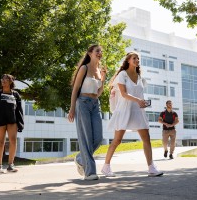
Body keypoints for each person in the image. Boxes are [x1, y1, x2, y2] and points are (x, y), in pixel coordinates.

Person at [102, 52, 163, 177]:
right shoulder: (122, 75)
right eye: (134, 58)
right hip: (124, 110)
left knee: (146, 138)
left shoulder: (139, 77)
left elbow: (139, 94)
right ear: (128, 60)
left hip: (138, 111)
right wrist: (138, 100)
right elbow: (123, 94)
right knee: (117, 140)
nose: (137, 60)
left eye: (138, 58)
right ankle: (106, 166)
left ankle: (151, 167)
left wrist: (143, 102)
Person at [68, 44, 106, 181]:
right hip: (82, 103)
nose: (100, 53)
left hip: (95, 104)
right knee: (86, 138)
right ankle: (89, 173)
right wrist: (72, 108)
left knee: (98, 138)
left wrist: (103, 78)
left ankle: (80, 158)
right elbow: (76, 88)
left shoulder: (99, 71)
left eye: (101, 51)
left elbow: (99, 92)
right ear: (90, 53)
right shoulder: (84, 68)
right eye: (97, 51)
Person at [0, 74, 24, 173]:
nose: (3, 81)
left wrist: (20, 123)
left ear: (10, 81)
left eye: (6, 79)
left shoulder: (16, 94)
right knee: (0, 142)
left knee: (13, 141)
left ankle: (10, 165)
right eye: (2, 79)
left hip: (12, 121)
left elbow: (19, 110)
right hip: (0, 121)